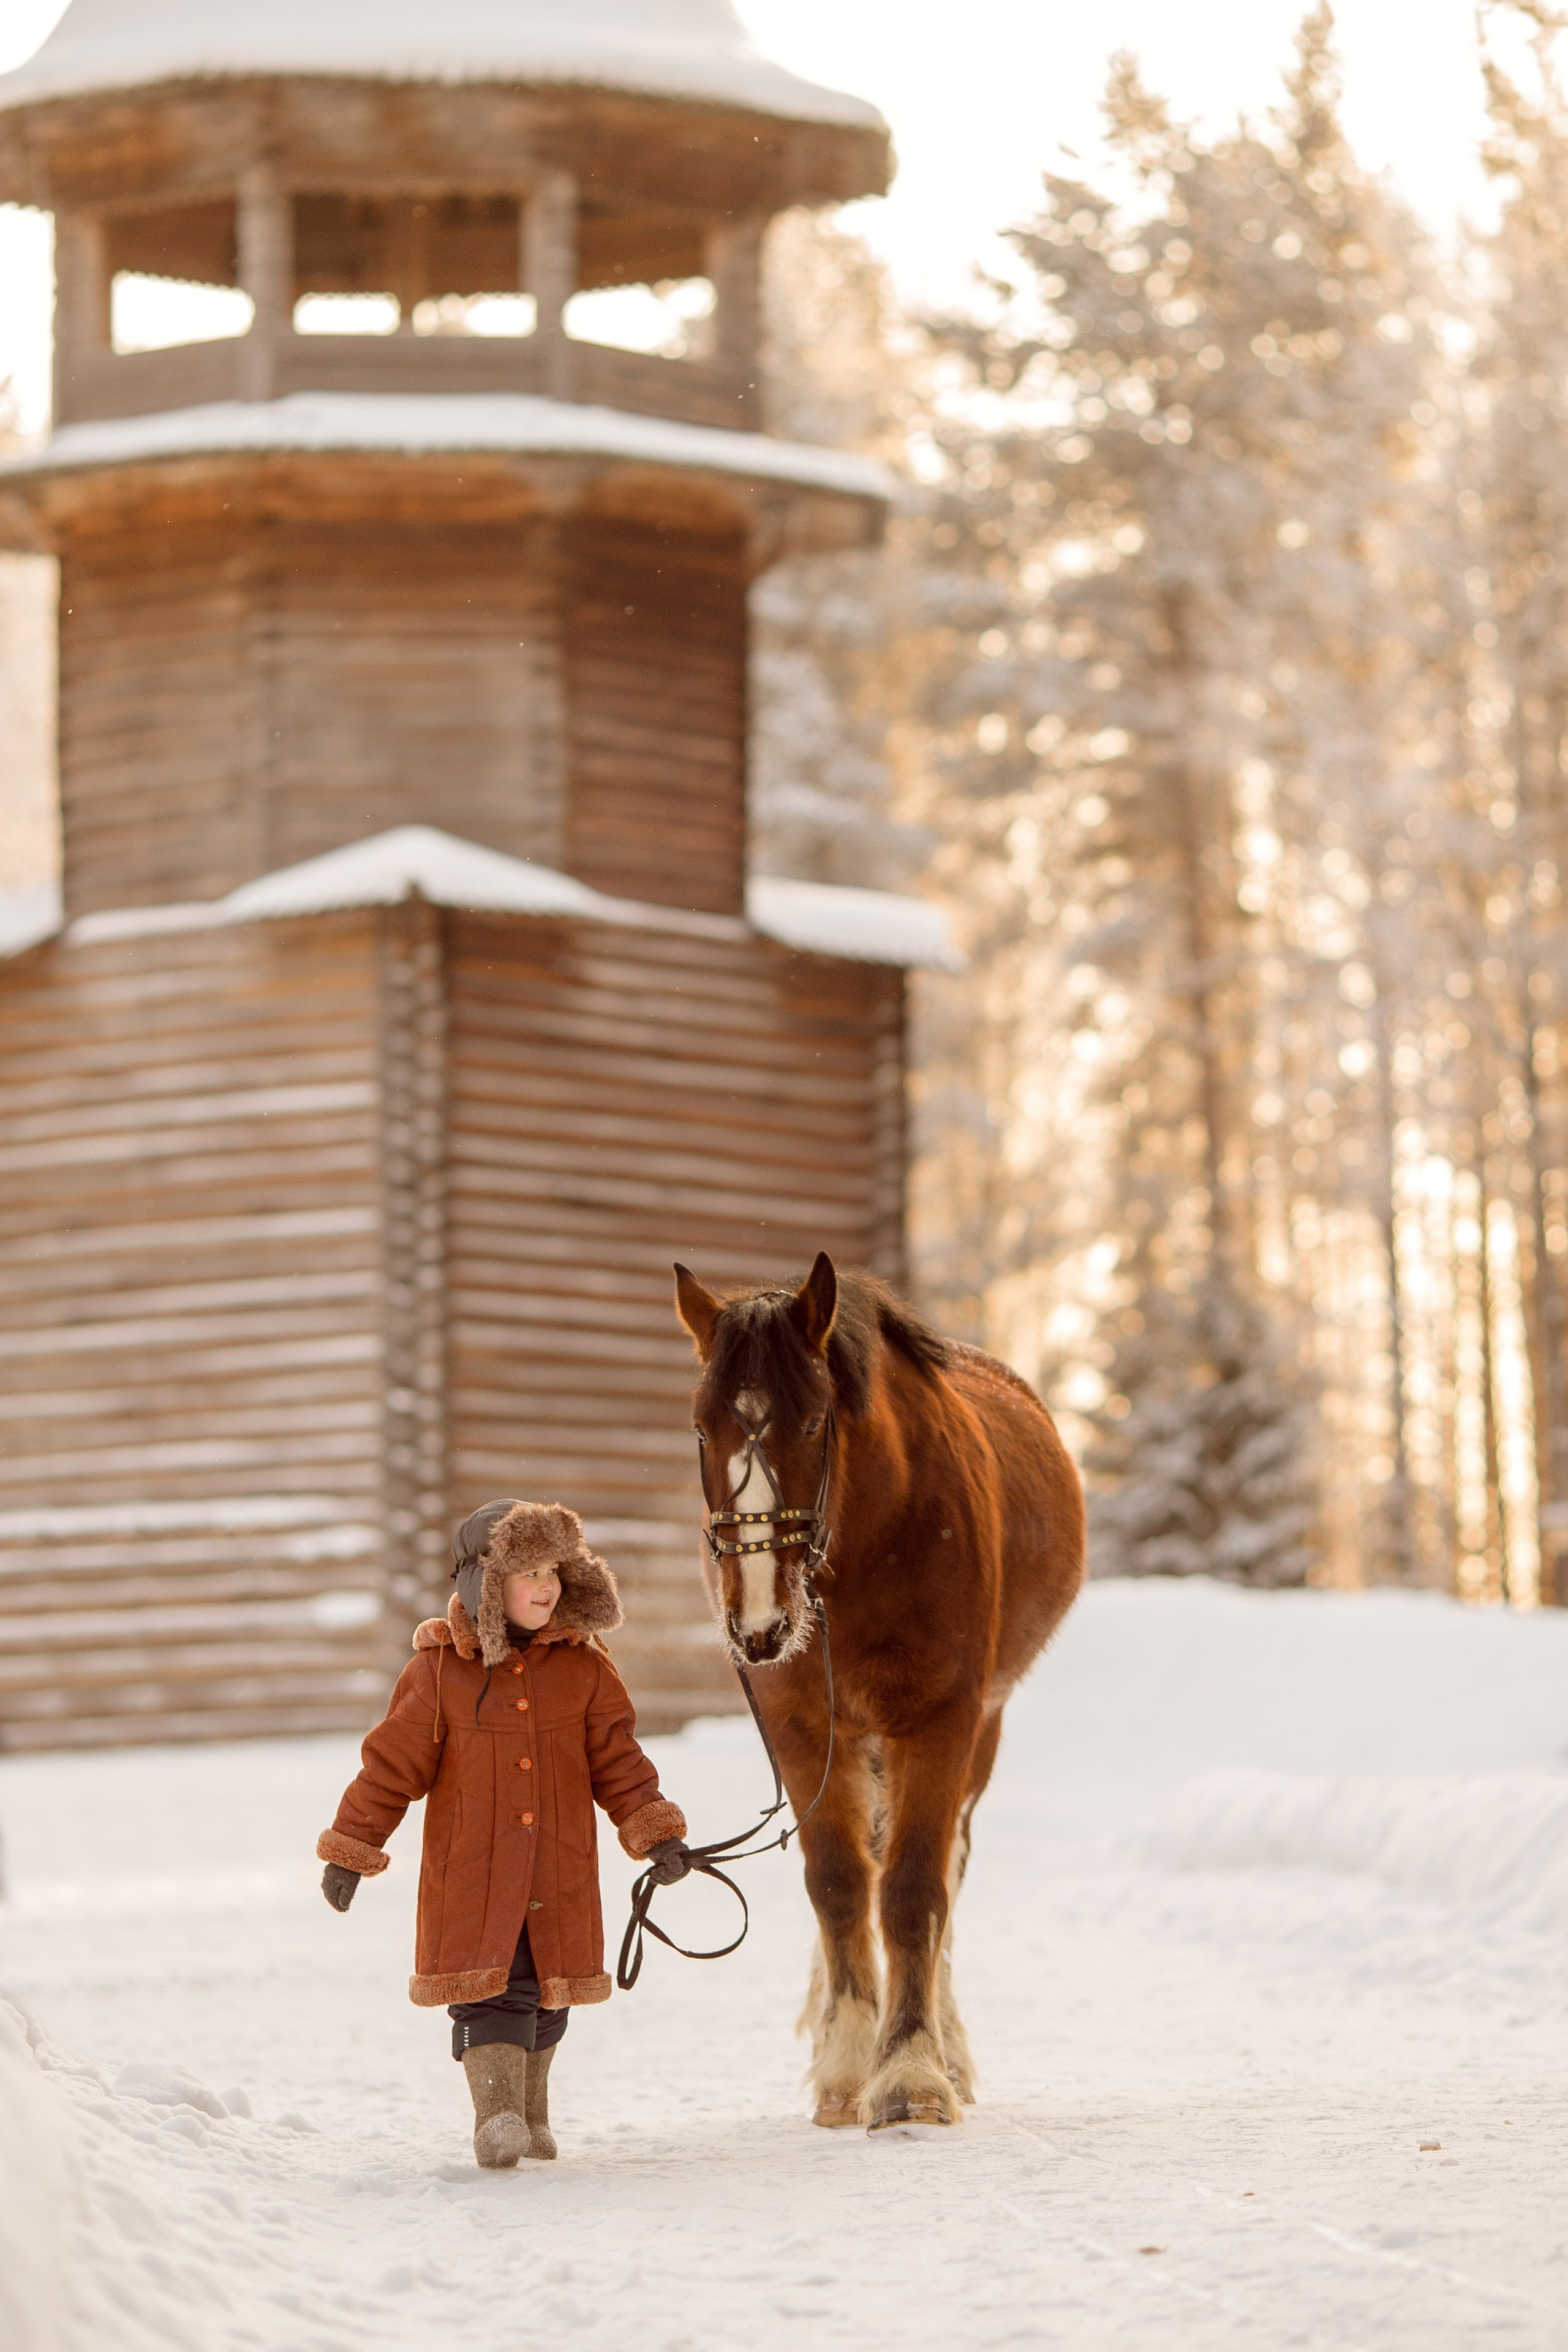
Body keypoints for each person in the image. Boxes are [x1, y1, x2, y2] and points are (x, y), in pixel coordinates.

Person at [316, 1499, 693, 2169]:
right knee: (491, 1988)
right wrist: (352, 1848)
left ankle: (532, 2115)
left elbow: (619, 1760)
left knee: (550, 1988)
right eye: (527, 1572)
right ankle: (496, 2114)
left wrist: (655, 1833)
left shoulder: (584, 1667)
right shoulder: (439, 1670)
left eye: (554, 1569)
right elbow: (390, 1767)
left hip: (558, 1866)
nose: (545, 1586)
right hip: (473, 1868)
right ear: (486, 1583)